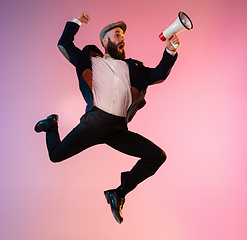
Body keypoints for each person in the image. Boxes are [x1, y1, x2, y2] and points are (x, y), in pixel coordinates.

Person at [34, 12, 180, 224]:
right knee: (55, 155)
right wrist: (78, 22)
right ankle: (51, 125)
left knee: (157, 156)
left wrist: (170, 49)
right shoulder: (91, 58)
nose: (122, 38)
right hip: (94, 122)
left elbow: (159, 74)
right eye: (117, 34)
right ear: (105, 40)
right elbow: (64, 43)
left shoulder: (134, 68)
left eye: (123, 36)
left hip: (117, 129)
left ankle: (119, 193)